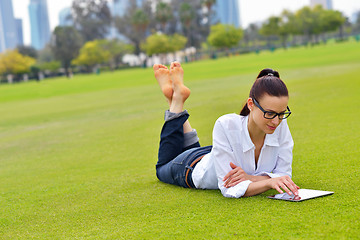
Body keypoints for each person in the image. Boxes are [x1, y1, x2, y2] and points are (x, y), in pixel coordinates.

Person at [153, 61, 300, 198]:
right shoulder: (226, 124)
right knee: (161, 168)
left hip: (215, 154)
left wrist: (250, 178)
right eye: (269, 113)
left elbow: (284, 175)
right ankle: (176, 100)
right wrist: (268, 182)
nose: (276, 121)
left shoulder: (280, 124)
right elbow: (228, 188)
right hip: (192, 166)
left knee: (196, 154)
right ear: (251, 104)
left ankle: (174, 101)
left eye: (281, 114)